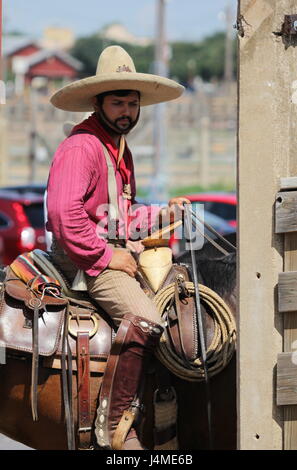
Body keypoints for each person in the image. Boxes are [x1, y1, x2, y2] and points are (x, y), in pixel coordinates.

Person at [47, 45, 189, 450]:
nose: (126, 110)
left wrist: (163, 214)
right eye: (118, 102)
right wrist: (109, 256)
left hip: (105, 248)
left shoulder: (118, 151)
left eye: (132, 102)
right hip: (82, 257)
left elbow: (118, 218)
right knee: (148, 319)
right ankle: (114, 426)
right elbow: (64, 215)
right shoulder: (82, 147)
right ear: (98, 103)